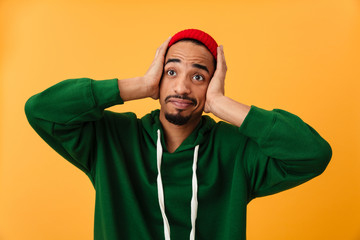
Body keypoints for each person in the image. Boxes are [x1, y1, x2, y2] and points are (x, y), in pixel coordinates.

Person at [25, 29, 332, 240]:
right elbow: (41, 109)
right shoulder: (111, 140)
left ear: (213, 83)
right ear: (158, 76)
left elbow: (312, 153)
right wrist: (140, 86)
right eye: (171, 72)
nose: (182, 87)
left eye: (198, 76)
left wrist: (222, 105)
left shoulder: (236, 151)